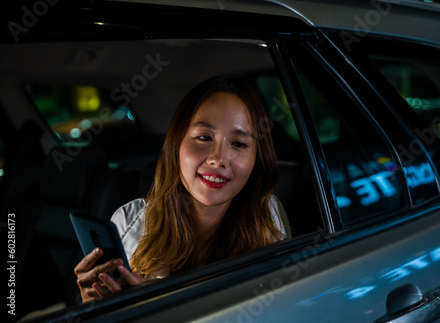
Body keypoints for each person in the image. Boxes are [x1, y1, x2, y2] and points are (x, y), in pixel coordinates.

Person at [74, 76, 290, 302]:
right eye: (204, 137)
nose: (218, 159)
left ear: (257, 158)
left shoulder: (268, 220)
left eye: (238, 144)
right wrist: (95, 307)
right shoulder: (129, 221)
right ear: (176, 144)